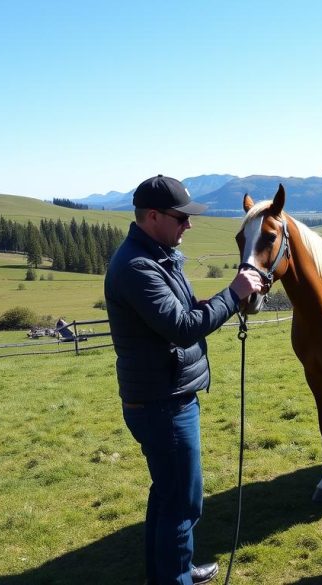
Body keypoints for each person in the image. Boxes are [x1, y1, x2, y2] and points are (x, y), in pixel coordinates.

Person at [104, 175, 262, 585]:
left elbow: (184, 310)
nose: (188, 226)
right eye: (181, 218)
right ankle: (175, 578)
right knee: (183, 503)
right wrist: (233, 292)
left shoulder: (158, 255)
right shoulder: (137, 266)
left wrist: (217, 303)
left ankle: (170, 569)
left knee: (167, 493)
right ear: (152, 216)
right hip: (163, 404)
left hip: (164, 396)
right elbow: (181, 327)